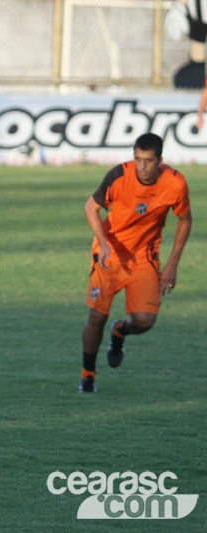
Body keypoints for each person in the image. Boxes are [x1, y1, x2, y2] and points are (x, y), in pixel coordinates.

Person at [79, 133, 192, 393]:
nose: (142, 166)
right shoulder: (118, 175)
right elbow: (90, 208)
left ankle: (119, 332)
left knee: (144, 321)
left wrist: (173, 263)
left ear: (160, 161)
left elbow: (185, 219)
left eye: (148, 161)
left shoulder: (175, 184)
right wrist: (103, 242)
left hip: (144, 256)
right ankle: (88, 374)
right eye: (138, 159)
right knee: (97, 315)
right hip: (110, 253)